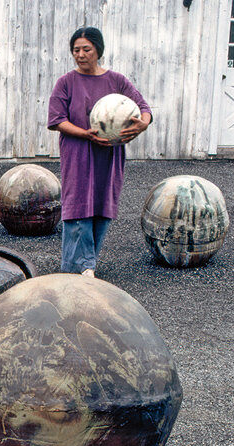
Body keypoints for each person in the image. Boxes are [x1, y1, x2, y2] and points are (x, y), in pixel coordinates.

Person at [48, 26, 152, 278]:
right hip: (78, 151)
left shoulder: (116, 81)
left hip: (109, 153)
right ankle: (84, 266)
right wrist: (85, 133)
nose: (80, 55)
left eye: (86, 49)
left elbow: (143, 108)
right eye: (76, 50)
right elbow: (56, 119)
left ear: (98, 50)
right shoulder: (66, 82)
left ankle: (81, 264)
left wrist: (143, 123)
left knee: (102, 204)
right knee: (78, 205)